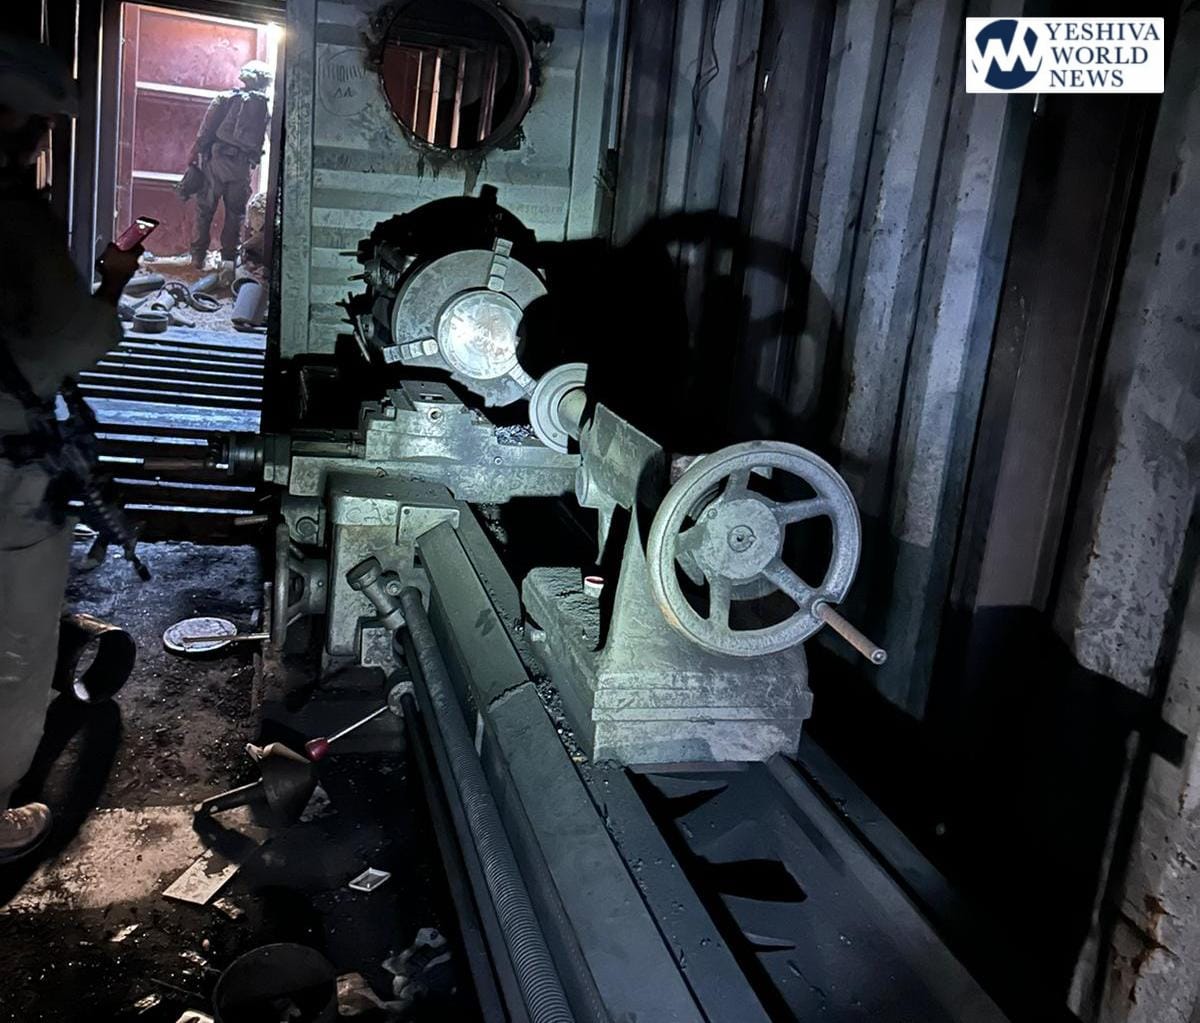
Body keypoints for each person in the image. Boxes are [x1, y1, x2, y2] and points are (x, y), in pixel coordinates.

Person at [0, 35, 142, 862]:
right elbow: (72, 341)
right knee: (16, 644)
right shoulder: (12, 215)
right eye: (44, 123)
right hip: (9, 472)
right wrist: (114, 279)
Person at [187, 60, 272, 269]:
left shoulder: (225, 98)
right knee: (235, 214)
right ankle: (228, 260)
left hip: (216, 162)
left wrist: (194, 153)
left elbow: (206, 130)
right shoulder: (263, 107)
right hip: (242, 167)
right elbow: (271, 137)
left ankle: (198, 257)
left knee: (205, 210)